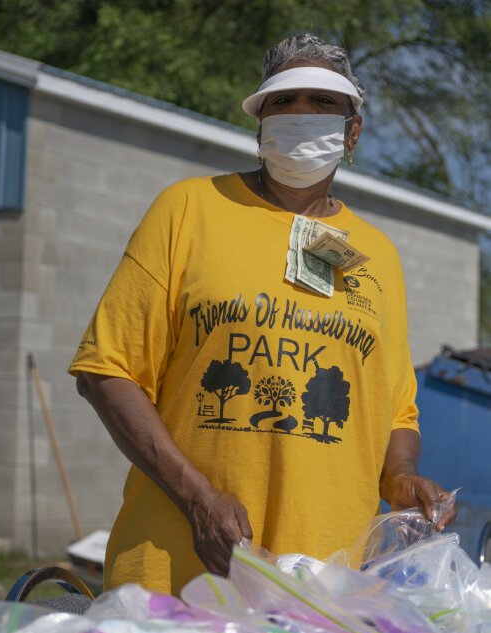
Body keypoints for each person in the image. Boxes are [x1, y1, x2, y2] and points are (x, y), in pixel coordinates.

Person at [69, 34, 456, 596]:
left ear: (353, 132)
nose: (301, 114)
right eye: (283, 101)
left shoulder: (378, 256)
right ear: (259, 123)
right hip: (178, 576)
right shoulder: (188, 211)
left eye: (323, 103)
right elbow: (106, 370)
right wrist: (196, 498)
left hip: (325, 588)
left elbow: (396, 407)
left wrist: (400, 476)